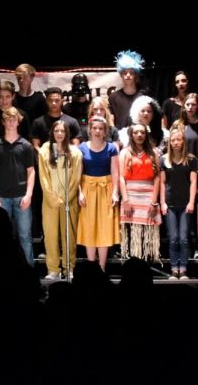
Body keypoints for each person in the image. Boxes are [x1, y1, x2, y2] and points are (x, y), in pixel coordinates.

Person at [0, 107, 36, 265]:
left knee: (24, 235)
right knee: (1, 236)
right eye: (7, 119)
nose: (10, 122)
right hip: (1, 197)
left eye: (13, 119)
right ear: (3, 122)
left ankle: (28, 271)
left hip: (21, 196)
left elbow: (31, 172)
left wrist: (29, 194)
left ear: (18, 121)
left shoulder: (26, 146)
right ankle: (1, 269)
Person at [38, 120, 82, 279]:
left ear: (67, 134)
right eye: (56, 131)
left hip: (68, 201)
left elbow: (76, 179)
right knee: (50, 236)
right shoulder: (44, 151)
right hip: (50, 201)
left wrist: (66, 198)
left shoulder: (75, 153)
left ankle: (69, 267)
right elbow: (43, 177)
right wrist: (53, 199)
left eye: (62, 131)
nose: (59, 134)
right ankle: (53, 270)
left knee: (69, 235)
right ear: (52, 133)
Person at [76, 116, 121, 271]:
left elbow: (115, 172)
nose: (97, 131)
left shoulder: (111, 148)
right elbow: (77, 174)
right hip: (88, 188)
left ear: (105, 131)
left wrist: (115, 192)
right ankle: (91, 267)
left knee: (104, 227)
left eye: (100, 128)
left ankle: (101, 268)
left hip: (106, 189)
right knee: (89, 227)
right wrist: (79, 193)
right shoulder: (81, 148)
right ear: (89, 129)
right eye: (94, 128)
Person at [118, 123, 162, 261]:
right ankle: (133, 263)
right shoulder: (125, 153)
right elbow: (121, 177)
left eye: (142, 132)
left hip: (148, 195)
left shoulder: (153, 153)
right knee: (132, 233)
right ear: (131, 134)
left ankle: (146, 263)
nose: (139, 135)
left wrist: (154, 202)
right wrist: (125, 200)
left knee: (147, 233)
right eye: (136, 132)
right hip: (130, 196)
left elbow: (157, 178)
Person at [160, 127, 197, 279]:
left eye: (178, 139)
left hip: (185, 204)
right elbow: (162, 183)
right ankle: (174, 269)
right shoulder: (164, 159)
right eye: (173, 140)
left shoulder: (191, 160)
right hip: (170, 204)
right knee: (173, 237)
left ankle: (184, 268)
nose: (176, 142)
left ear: (183, 141)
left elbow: (193, 182)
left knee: (183, 237)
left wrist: (191, 202)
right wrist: (162, 203)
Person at [108, 49, 145, 129]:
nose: (128, 75)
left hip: (139, 135)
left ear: (135, 75)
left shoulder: (143, 96)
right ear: (121, 75)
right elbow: (111, 118)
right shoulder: (113, 97)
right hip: (120, 137)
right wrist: (115, 135)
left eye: (131, 72)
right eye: (125, 73)